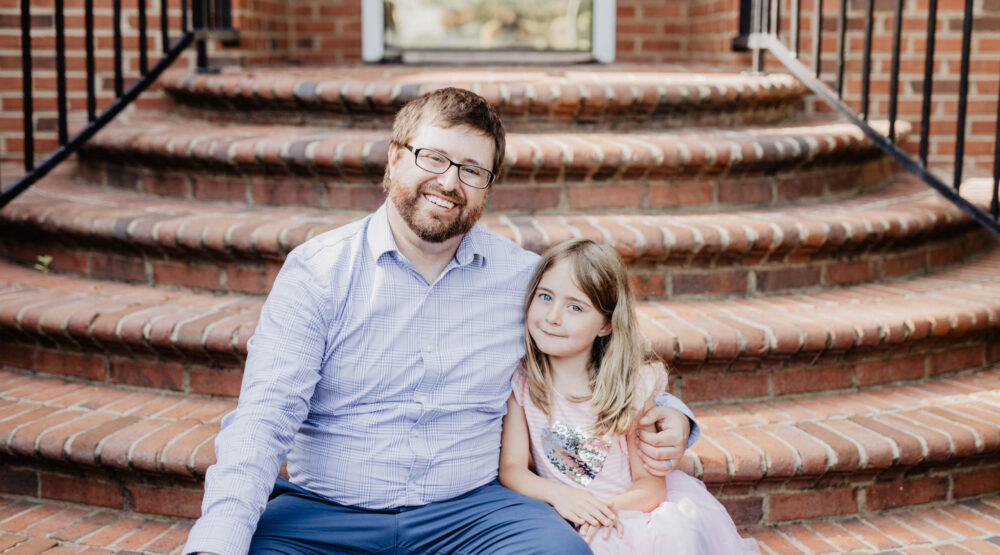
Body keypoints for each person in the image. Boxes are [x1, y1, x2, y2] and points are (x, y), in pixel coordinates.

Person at [183, 87, 700, 554]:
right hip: (325, 514)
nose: (449, 181)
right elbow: (263, 418)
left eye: (472, 170)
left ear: (487, 186)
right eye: (433, 157)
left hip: (471, 513)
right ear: (394, 157)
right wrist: (217, 543)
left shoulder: (523, 281)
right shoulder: (318, 273)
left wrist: (672, 414)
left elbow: (604, 348)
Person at [499, 239, 759, 554]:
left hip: (628, 515)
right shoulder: (524, 383)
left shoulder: (631, 388)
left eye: (575, 307)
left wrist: (603, 511)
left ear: (606, 325)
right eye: (545, 297)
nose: (553, 316)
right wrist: (562, 497)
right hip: (566, 514)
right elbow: (512, 469)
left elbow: (650, 487)